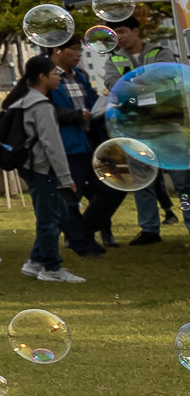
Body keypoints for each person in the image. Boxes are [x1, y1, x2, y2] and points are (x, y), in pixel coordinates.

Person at [8, 55, 86, 283]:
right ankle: (51, 268)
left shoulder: (21, 101)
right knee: (49, 218)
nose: (59, 78)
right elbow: (52, 144)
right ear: (42, 77)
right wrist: (65, 177)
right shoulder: (40, 105)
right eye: (54, 74)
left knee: (58, 212)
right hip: (42, 168)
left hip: (29, 166)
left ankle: (35, 261)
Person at [105, 14, 181, 244]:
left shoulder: (160, 52)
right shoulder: (113, 60)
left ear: (136, 31)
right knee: (142, 181)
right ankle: (149, 230)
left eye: (122, 31)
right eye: (114, 34)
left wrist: (131, 85)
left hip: (167, 127)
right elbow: (112, 85)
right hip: (136, 129)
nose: (118, 38)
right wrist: (147, 84)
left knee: (183, 181)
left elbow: (168, 78)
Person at [49, 35, 121, 255]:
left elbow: (90, 103)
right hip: (68, 145)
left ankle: (82, 232)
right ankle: (82, 242)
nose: (79, 54)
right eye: (74, 49)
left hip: (91, 141)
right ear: (57, 51)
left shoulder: (80, 75)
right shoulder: (48, 77)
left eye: (80, 49)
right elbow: (46, 109)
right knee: (72, 195)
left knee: (113, 189)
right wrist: (75, 115)